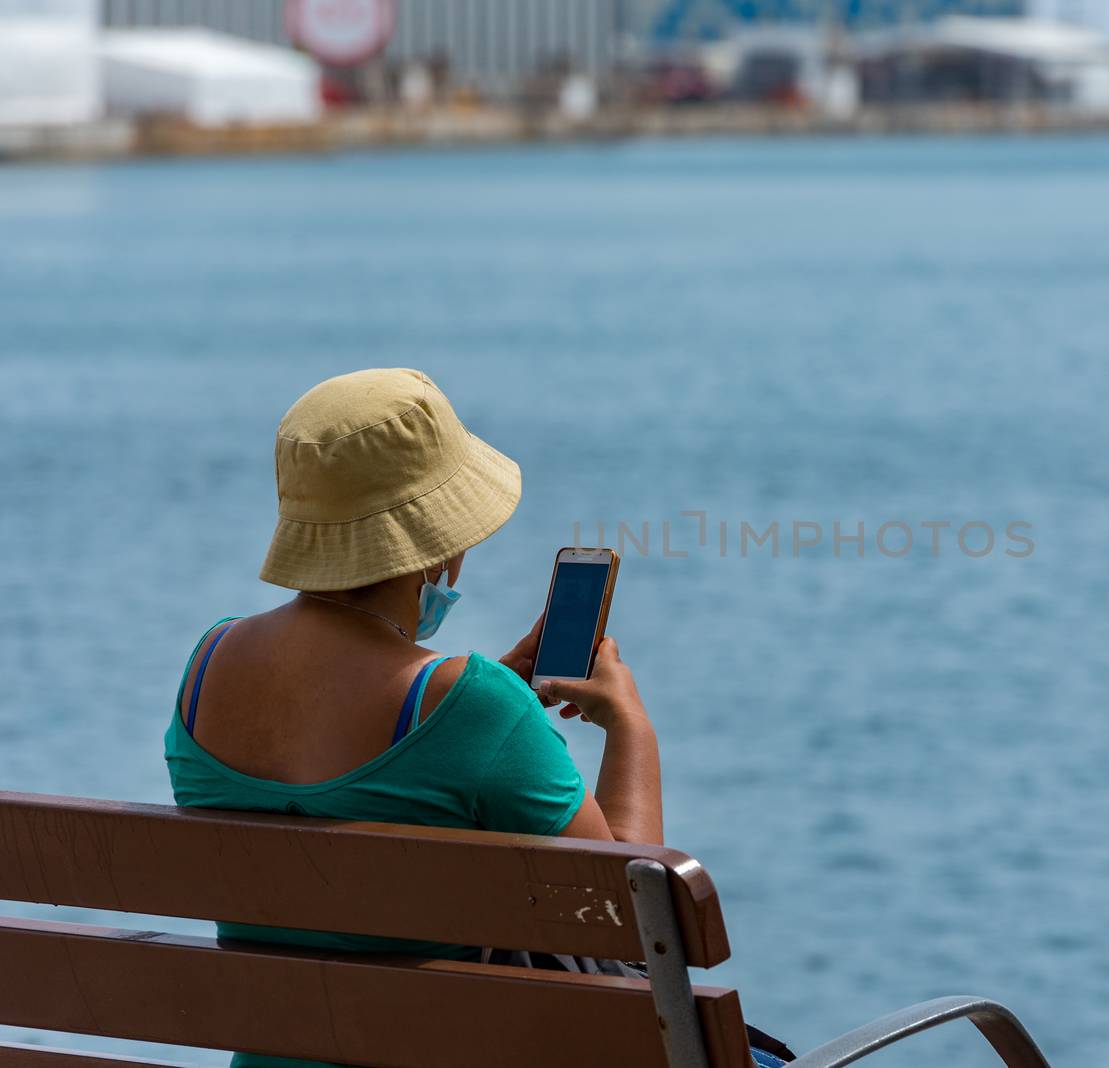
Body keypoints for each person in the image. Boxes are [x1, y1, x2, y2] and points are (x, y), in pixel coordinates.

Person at [164, 368, 790, 1068]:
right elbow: (629, 927)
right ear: (439, 545)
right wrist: (628, 727)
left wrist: (483, 704)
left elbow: (349, 782)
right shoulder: (477, 709)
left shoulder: (207, 667)